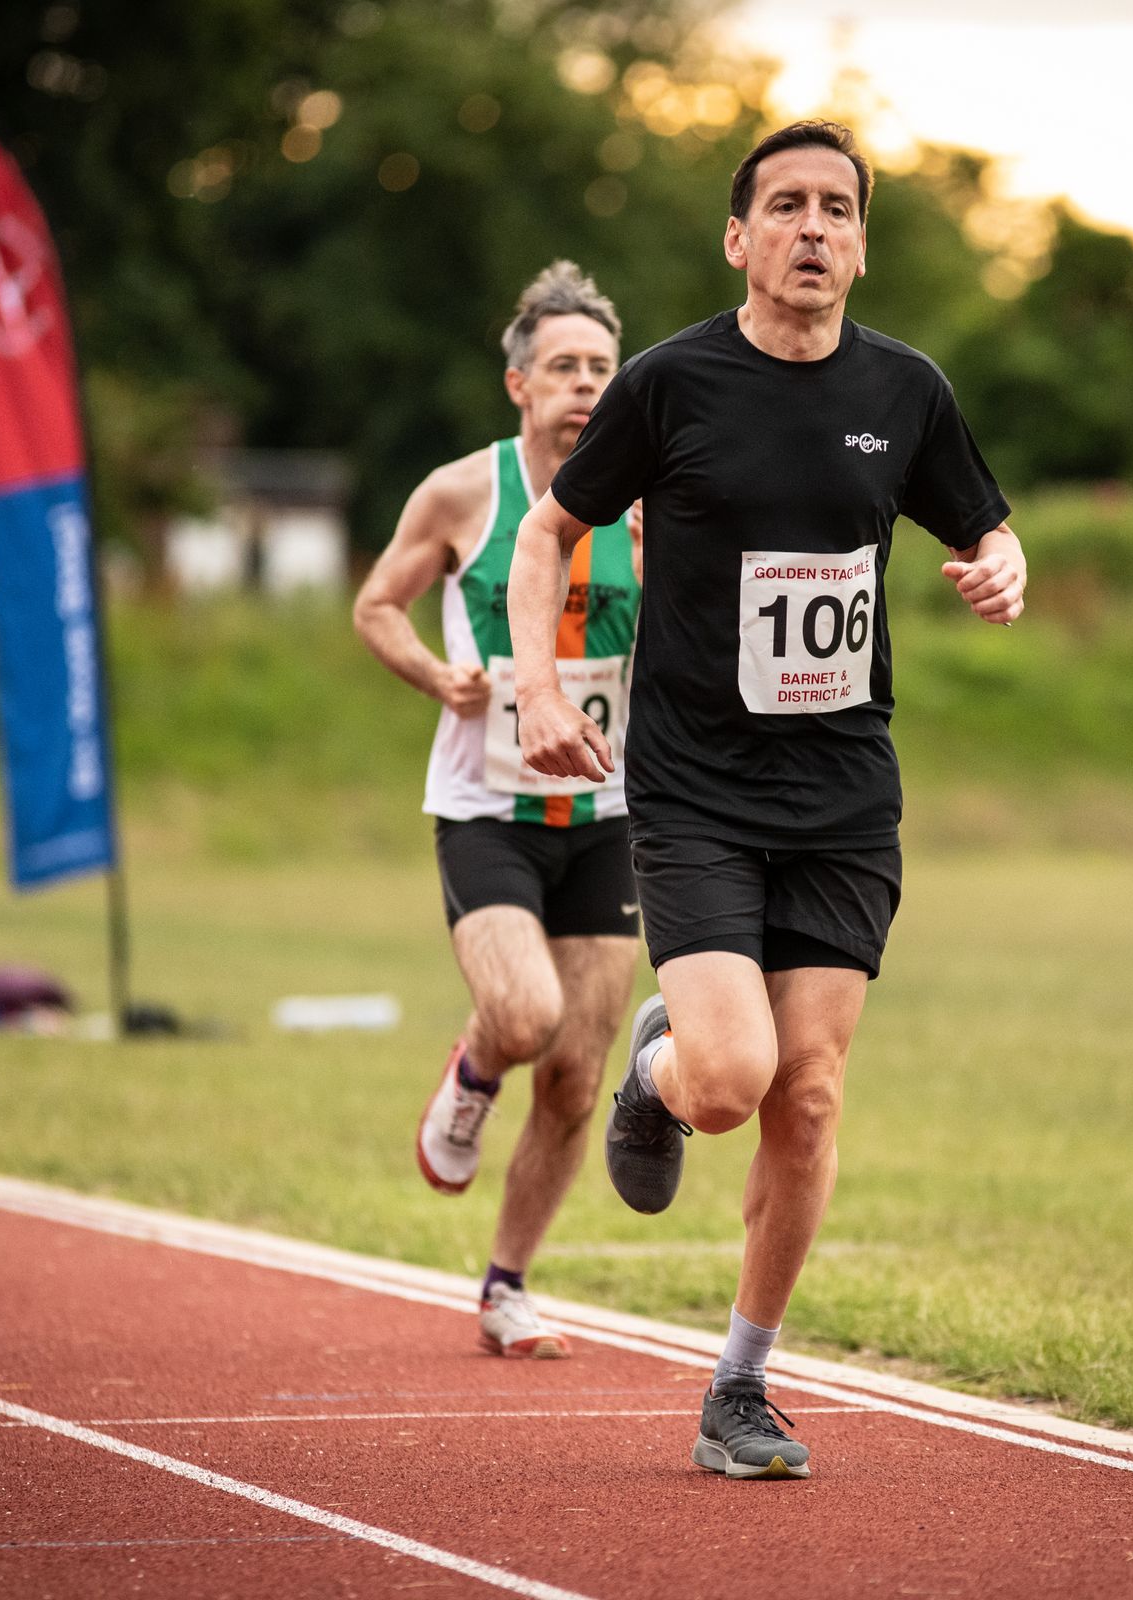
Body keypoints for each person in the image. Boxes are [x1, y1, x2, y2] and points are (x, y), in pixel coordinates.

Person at [509, 123, 1027, 1478]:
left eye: (837, 209)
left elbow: (983, 522)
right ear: (738, 239)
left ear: (860, 244)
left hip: (845, 794)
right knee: (733, 1081)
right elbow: (550, 529)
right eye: (786, 206)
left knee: (809, 1096)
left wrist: (1002, 564)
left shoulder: (906, 390)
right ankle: (660, 1073)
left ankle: (739, 1386)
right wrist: (541, 690)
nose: (813, 228)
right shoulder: (671, 383)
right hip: (697, 790)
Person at [352, 261, 643, 1360]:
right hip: (488, 808)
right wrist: (440, 675)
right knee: (522, 1019)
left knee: (576, 1072)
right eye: (563, 366)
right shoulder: (462, 493)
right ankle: (473, 1075)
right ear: (519, 384)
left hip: (607, 812)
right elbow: (376, 605)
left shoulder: (649, 498)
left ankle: (507, 1284)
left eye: (601, 367)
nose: (585, 384)